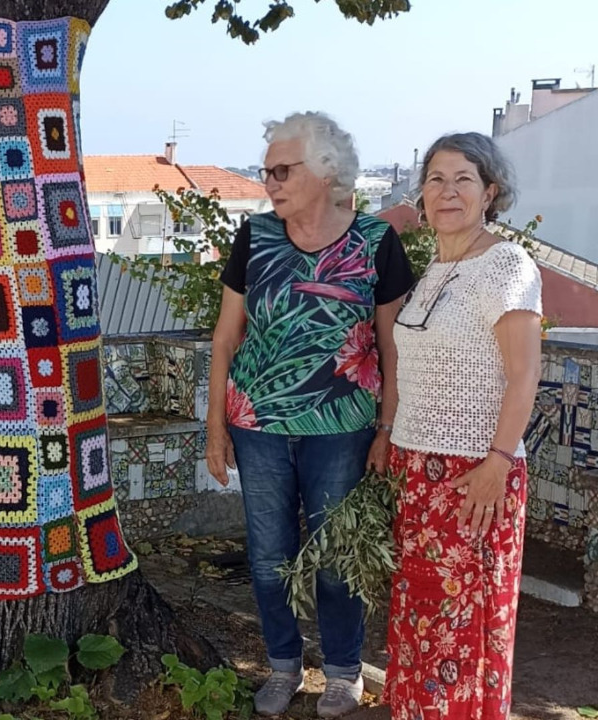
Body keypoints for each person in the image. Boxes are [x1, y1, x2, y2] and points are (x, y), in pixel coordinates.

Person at [206, 111, 414, 717]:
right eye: (266, 169)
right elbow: (225, 339)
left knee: (336, 557)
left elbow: (392, 344)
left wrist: (387, 428)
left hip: (343, 428)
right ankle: (283, 667)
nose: (269, 180)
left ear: (326, 173)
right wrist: (216, 429)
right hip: (258, 426)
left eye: (282, 169)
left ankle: (345, 673)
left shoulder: (375, 243)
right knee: (270, 558)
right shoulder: (256, 237)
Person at [385, 133, 540, 720]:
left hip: (475, 475)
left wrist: (497, 463)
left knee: (463, 628)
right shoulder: (437, 268)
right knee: (422, 619)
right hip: (418, 474)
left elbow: (525, 375)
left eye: (463, 179)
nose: (447, 192)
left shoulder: (505, 266)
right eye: (435, 180)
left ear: (490, 192)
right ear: (421, 197)